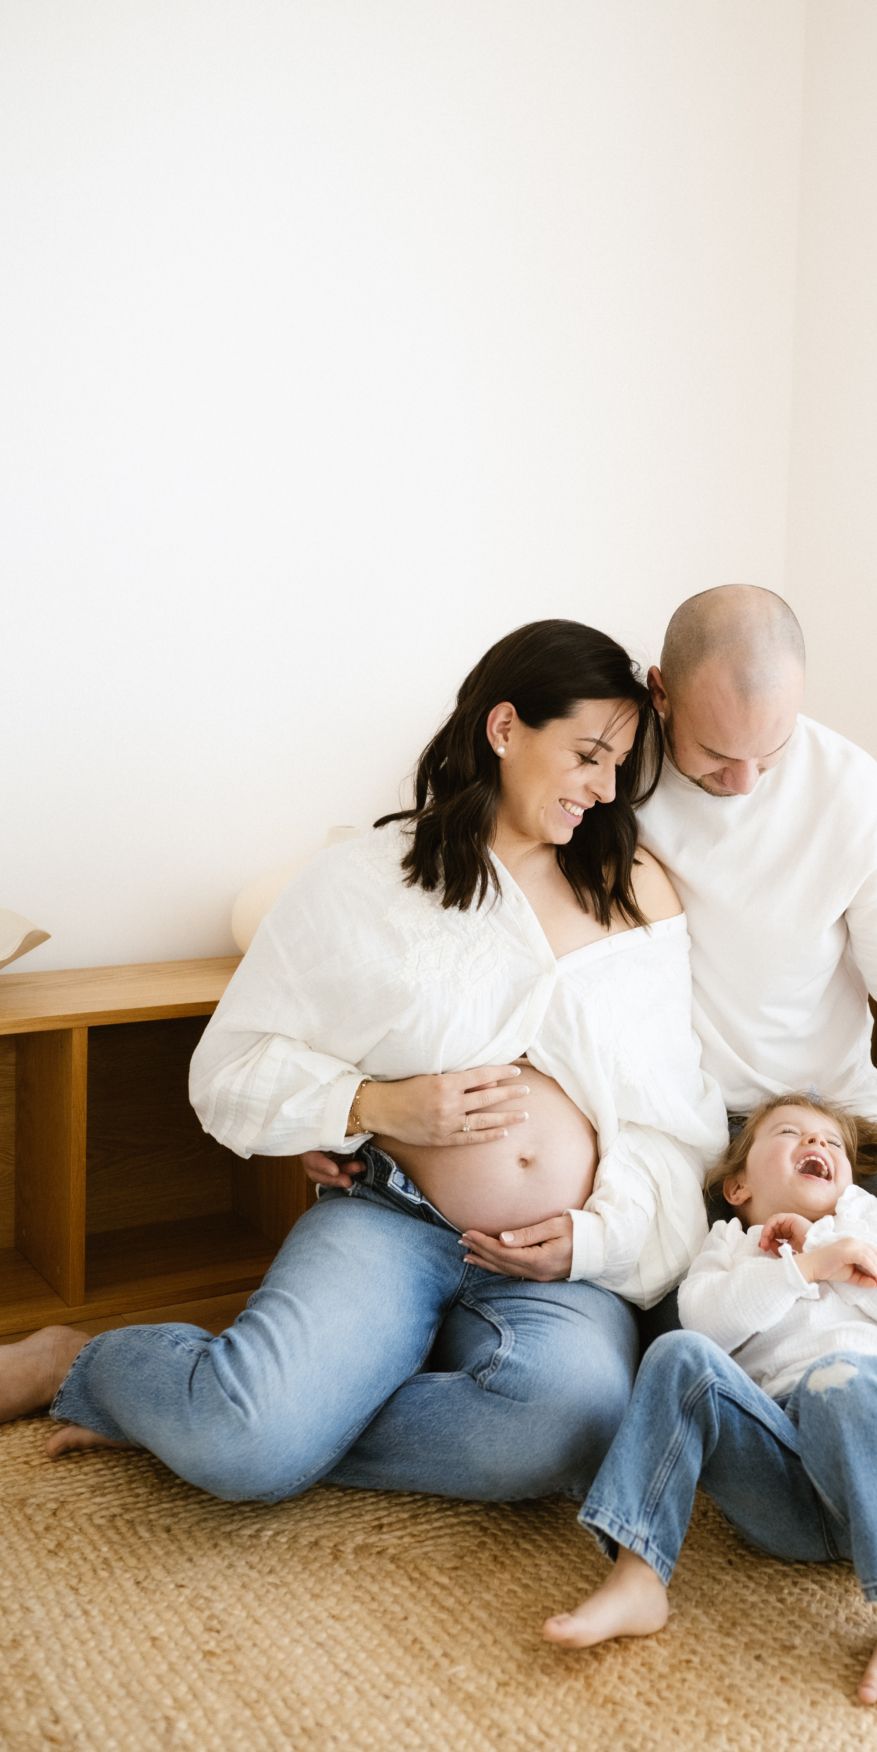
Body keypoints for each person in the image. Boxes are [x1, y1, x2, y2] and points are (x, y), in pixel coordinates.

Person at [0, 620, 727, 1504]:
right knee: (244, 1449)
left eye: (619, 765)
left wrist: (596, 1237)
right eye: (586, 755)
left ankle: (280, 1414)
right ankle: (93, 1365)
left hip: (562, 1253)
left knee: (569, 1424)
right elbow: (229, 1067)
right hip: (394, 1218)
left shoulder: (634, 888)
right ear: (505, 730)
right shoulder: (365, 881)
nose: (605, 788)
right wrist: (375, 1105)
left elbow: (670, 1112)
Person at [638, 585, 877, 1368]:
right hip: (686, 1134)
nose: (745, 782)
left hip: (830, 1126)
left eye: (771, 751)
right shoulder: (607, 774)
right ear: (659, 695)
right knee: (672, 1342)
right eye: (717, 757)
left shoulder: (855, 798)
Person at [543, 1095, 877, 1707]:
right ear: (737, 1185)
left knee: (839, 1378)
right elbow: (709, 1326)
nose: (817, 1145)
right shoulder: (731, 1248)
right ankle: (639, 1575)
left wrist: (834, 1240)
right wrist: (803, 1267)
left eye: (832, 1144)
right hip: (783, 1496)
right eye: (790, 1133)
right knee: (678, 1351)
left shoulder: (869, 1221)